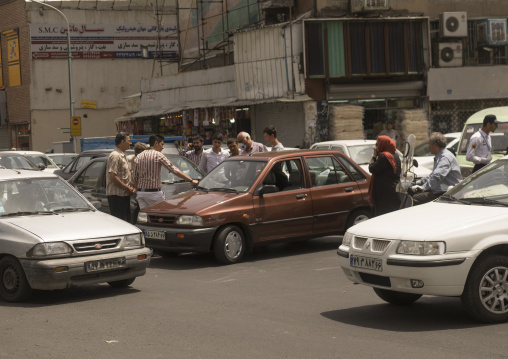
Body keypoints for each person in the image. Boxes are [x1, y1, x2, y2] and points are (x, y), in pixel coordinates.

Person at [134, 134, 199, 209]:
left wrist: (138, 192)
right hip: (154, 194)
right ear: (156, 143)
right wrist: (191, 180)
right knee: (160, 216)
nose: (163, 147)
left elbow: (135, 177)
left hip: (141, 194)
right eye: (162, 144)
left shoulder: (139, 156)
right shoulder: (158, 155)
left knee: (146, 218)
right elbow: (174, 170)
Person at [410, 132, 463, 206]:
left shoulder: (445, 157)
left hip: (448, 192)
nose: (429, 147)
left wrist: (423, 187)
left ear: (435, 144)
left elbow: (437, 175)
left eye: (429, 144)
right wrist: (417, 182)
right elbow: (432, 175)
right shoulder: (440, 156)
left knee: (414, 198)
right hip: (441, 190)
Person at [368, 135, 401, 216]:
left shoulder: (384, 157)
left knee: (384, 216)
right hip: (392, 191)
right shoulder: (395, 155)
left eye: (377, 144)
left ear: (383, 144)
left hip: (385, 194)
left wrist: (374, 156)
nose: (376, 147)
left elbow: (372, 169)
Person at [106, 132, 135, 222]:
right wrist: (126, 188)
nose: (130, 143)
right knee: (120, 222)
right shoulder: (115, 155)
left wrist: (130, 187)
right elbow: (113, 176)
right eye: (129, 141)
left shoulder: (123, 155)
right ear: (123, 141)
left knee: (127, 221)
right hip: (117, 196)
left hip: (124, 195)